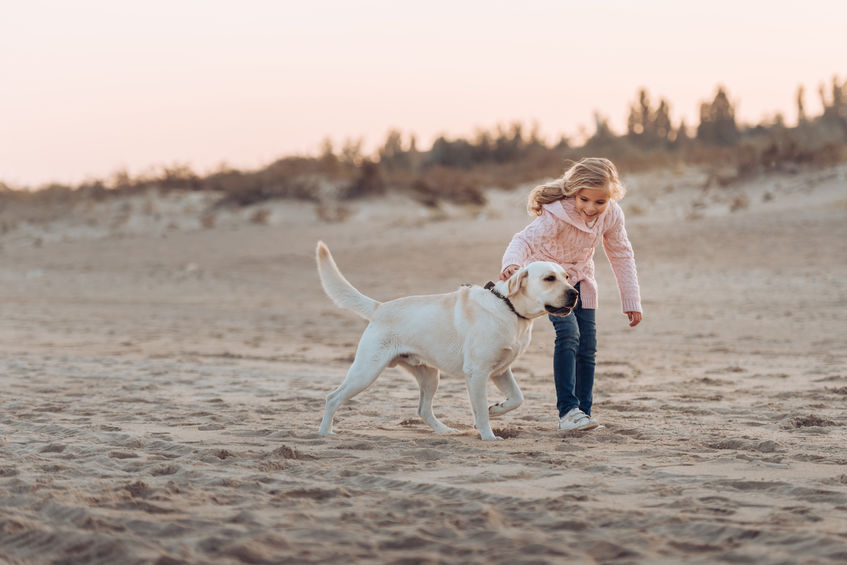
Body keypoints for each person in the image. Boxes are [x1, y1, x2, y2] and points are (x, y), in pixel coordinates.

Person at [499, 157, 642, 433]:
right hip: (550, 284)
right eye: (584, 199)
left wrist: (631, 301)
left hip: (581, 281)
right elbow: (523, 240)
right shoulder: (557, 214)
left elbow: (622, 254)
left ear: (610, 199)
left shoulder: (612, 215)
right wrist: (511, 264)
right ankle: (567, 411)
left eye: (599, 202)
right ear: (574, 192)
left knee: (587, 347)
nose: (591, 208)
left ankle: (582, 415)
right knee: (569, 335)